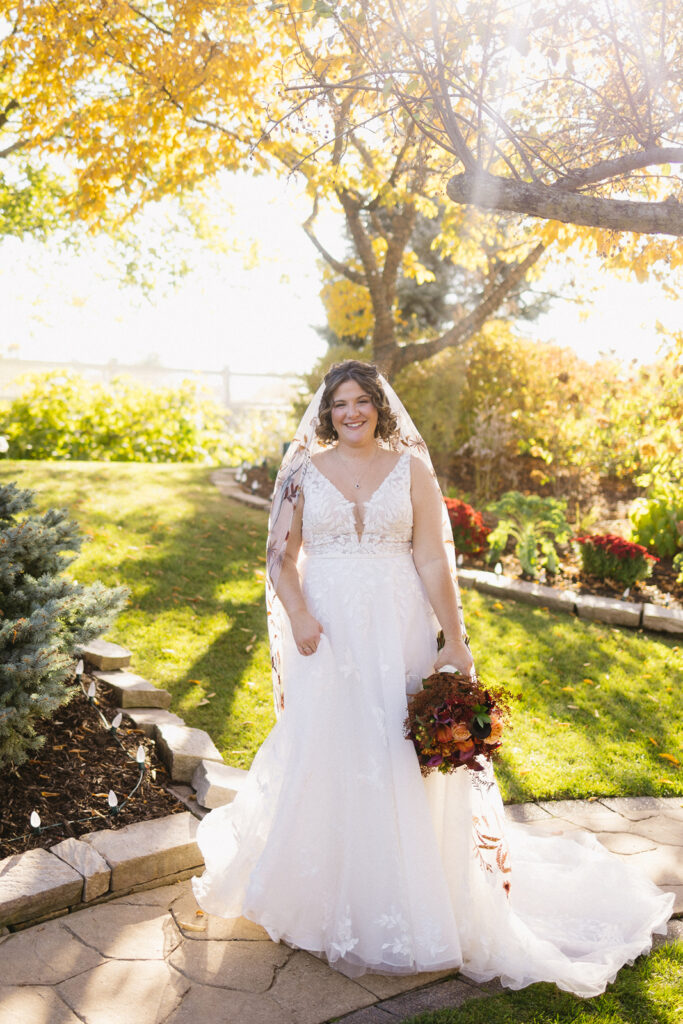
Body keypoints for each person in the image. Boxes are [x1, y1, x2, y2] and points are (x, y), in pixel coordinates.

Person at [192, 360, 673, 995]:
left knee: (401, 750)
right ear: (326, 413)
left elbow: (430, 555)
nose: (352, 412)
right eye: (340, 404)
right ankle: (324, 891)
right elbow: (282, 557)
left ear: (380, 406)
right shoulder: (303, 471)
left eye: (362, 401)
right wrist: (301, 614)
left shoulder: (411, 469)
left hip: (400, 630)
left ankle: (422, 890)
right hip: (328, 635)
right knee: (330, 749)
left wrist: (455, 639)